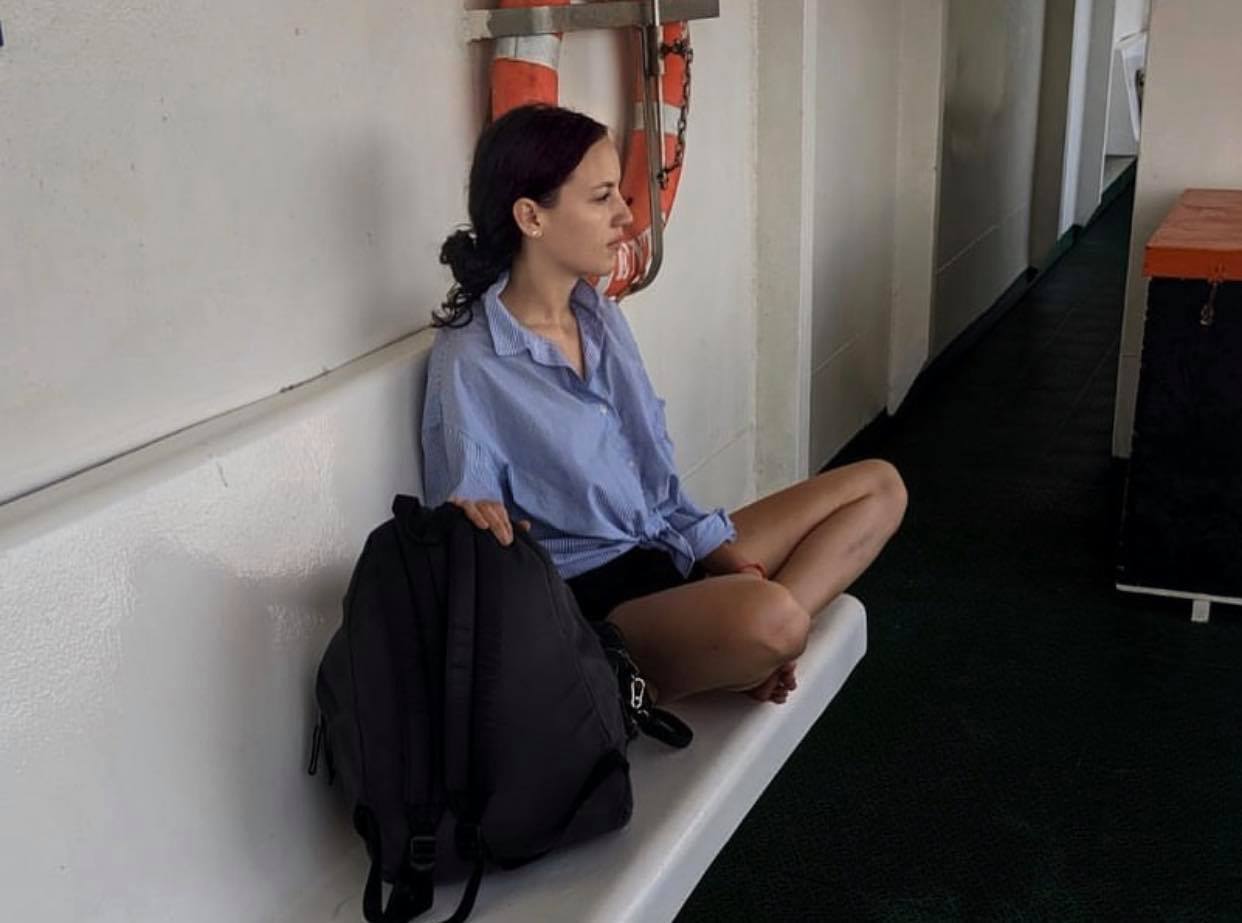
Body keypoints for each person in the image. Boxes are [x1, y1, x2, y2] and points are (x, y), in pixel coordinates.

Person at [423, 104, 905, 706]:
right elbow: (465, 523)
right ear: (531, 217)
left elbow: (659, 488)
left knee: (879, 488)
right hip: (592, 604)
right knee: (774, 618)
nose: (625, 216)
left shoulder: (598, 318)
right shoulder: (470, 358)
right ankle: (738, 648)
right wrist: (478, 517)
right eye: (602, 197)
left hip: (662, 549)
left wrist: (727, 562)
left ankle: (754, 654)